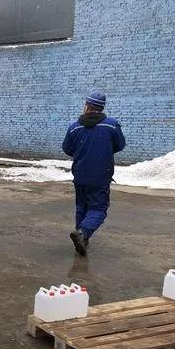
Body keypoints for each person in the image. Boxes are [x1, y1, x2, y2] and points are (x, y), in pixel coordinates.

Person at [62, 90, 126, 255]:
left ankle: (82, 238)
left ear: (87, 106)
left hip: (80, 175)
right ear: (101, 107)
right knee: (99, 209)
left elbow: (67, 148)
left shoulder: (74, 127)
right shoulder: (111, 125)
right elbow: (119, 145)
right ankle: (83, 233)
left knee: (81, 207)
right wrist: (103, 151)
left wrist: (82, 154)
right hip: (101, 175)